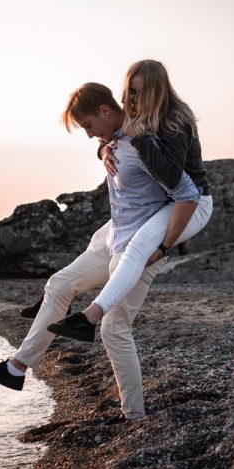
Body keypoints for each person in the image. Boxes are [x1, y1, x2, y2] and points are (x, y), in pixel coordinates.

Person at [0, 76, 209, 420]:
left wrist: (166, 244)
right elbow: (115, 147)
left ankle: (134, 416)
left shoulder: (147, 141)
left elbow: (183, 189)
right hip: (115, 238)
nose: (88, 133)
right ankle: (16, 369)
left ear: (105, 110)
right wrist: (103, 147)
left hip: (139, 247)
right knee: (60, 284)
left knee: (114, 329)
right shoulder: (113, 140)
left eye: (88, 125)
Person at [48, 59, 212, 340]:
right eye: (129, 91)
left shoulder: (175, 121)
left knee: (136, 250)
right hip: (168, 200)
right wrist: (103, 150)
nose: (130, 99)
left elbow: (175, 179)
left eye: (137, 92)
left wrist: (163, 248)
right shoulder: (141, 116)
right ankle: (55, 301)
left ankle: (89, 316)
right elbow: (114, 133)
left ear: (155, 91)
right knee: (101, 241)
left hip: (191, 200)